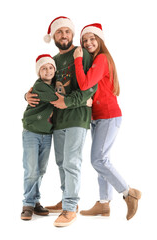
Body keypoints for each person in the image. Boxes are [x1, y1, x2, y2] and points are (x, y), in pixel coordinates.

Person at [25, 16, 97, 227]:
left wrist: (69, 102)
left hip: (77, 118)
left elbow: (90, 86)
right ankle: (68, 200)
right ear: (54, 36)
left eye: (67, 31)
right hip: (57, 121)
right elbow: (41, 84)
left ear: (72, 34)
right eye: (59, 32)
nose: (64, 35)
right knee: (61, 163)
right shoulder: (53, 61)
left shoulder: (81, 54)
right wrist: (26, 95)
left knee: (72, 162)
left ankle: (69, 207)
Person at [72, 23, 141, 220]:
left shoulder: (102, 58)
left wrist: (77, 60)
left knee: (98, 160)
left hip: (108, 115)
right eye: (85, 41)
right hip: (99, 116)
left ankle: (129, 193)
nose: (88, 43)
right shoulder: (95, 61)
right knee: (103, 161)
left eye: (92, 39)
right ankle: (103, 204)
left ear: (100, 40)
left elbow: (85, 83)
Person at [21, 54, 59, 220]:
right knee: (31, 169)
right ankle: (28, 204)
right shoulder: (40, 87)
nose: (48, 70)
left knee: (40, 170)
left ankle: (35, 201)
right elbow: (57, 99)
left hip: (47, 133)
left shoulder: (54, 84)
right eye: (44, 68)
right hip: (32, 132)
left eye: (51, 67)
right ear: (39, 72)